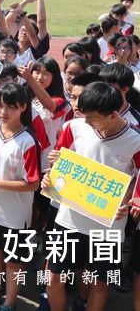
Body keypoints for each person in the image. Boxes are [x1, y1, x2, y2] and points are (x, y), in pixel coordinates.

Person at [43, 82, 140, 311]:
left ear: (113, 115)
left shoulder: (135, 142)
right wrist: (49, 177)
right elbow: (60, 164)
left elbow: (137, 179)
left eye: (92, 118)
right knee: (54, 276)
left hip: (108, 226)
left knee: (100, 282)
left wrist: (130, 202)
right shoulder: (73, 127)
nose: (85, 121)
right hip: (69, 219)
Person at [0, 83, 41, 311]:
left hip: (15, 215)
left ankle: (9, 303)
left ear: (23, 107)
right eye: (0, 105)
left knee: (14, 262)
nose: (3, 112)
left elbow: (32, 184)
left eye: (10, 107)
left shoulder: (28, 141)